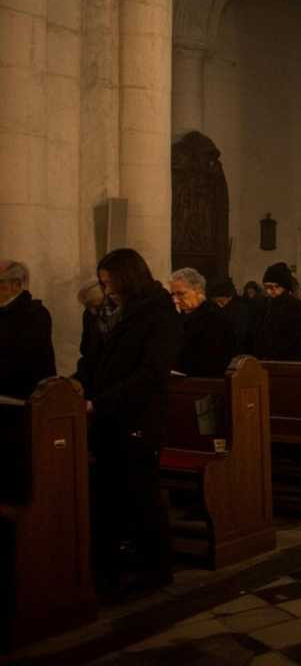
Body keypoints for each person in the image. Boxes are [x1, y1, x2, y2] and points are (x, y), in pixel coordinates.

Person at [75, 248, 179, 598]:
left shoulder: (158, 312)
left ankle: (155, 567)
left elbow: (151, 372)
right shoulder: (104, 313)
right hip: (104, 416)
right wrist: (72, 388)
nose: (106, 292)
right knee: (107, 493)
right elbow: (90, 359)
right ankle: (111, 564)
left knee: (140, 493)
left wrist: (100, 402)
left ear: (128, 278)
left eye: (110, 283)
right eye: (102, 284)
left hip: (138, 416)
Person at [0, 260, 56, 398]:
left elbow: (23, 358)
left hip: (22, 396)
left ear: (16, 285)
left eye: (0, 282)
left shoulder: (35, 314)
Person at [169, 268, 235, 378]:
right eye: (173, 295)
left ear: (198, 290)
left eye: (181, 294)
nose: (175, 300)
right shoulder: (180, 317)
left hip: (205, 384)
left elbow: (213, 361)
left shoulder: (215, 318)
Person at [252, 262, 301, 360]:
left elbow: (294, 337)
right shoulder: (266, 304)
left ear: (285, 286)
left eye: (275, 287)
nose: (270, 291)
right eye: (267, 287)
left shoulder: (295, 306)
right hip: (269, 358)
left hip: (290, 359)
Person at [208, 277, 254, 355]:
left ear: (230, 297)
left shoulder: (241, 309)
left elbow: (241, 335)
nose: (220, 305)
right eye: (216, 302)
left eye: (221, 301)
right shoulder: (214, 308)